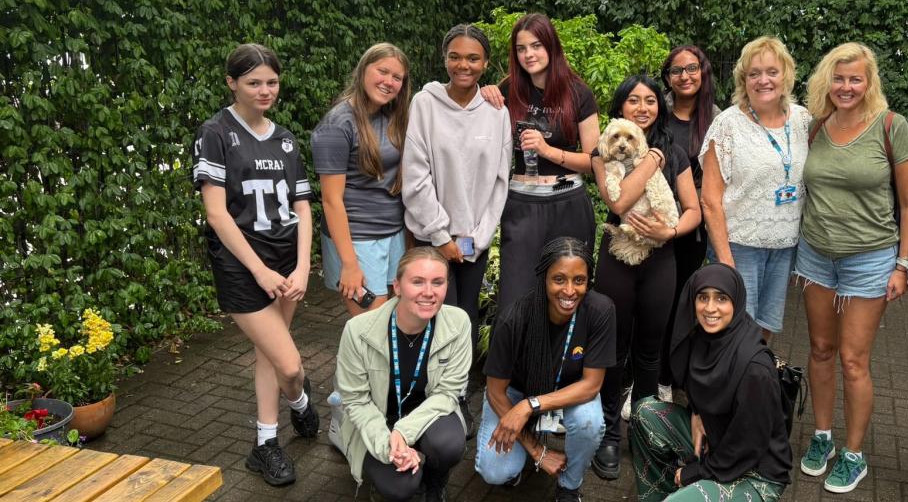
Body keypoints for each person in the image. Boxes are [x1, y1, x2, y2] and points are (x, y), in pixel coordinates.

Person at [792, 42, 908, 493]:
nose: (846, 87)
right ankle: (823, 437)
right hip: (815, 256)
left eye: (855, 79)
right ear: (828, 81)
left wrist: (903, 264)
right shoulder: (815, 128)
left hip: (870, 259)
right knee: (821, 350)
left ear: (869, 83)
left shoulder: (891, 126)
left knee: (853, 360)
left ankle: (854, 454)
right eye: (839, 78)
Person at [193, 43, 319, 486]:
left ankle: (265, 444)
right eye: (253, 83)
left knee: (269, 353)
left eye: (272, 82)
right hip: (241, 265)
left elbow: (303, 206)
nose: (265, 91)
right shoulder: (215, 132)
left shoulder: (285, 138)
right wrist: (259, 270)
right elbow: (216, 213)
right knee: (289, 365)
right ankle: (301, 402)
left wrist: (303, 266)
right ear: (232, 83)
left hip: (286, 259)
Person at [590, 74, 703, 480]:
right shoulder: (602, 152)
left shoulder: (675, 152)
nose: (642, 107)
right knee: (613, 349)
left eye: (651, 100)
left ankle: (645, 431)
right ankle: (608, 433)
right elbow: (618, 201)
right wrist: (650, 160)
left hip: (662, 257)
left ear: (660, 106)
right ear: (621, 108)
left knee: (650, 352)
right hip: (617, 255)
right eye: (633, 100)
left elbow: (693, 209)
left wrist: (669, 231)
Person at [629, 263, 791, 502]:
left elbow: (747, 445)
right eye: (703, 297)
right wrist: (696, 411)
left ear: (735, 302)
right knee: (645, 412)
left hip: (755, 472)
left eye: (721, 298)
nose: (710, 308)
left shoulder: (755, 369)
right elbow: (700, 387)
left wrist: (696, 473)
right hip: (716, 443)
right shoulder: (702, 338)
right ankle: (664, 495)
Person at [476, 237, 615, 502]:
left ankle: (569, 486)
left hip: (568, 392)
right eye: (559, 279)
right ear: (544, 278)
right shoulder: (514, 317)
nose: (570, 290)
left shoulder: (600, 310)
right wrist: (538, 451)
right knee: (495, 471)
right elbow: (495, 391)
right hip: (516, 393)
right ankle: (518, 461)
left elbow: (591, 385)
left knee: (590, 422)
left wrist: (530, 405)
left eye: (579, 280)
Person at [402, 24, 511, 352]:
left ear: (486, 63)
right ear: (445, 59)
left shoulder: (497, 112)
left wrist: (478, 239)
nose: (464, 65)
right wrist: (442, 237)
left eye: (473, 58)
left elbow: (500, 182)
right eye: (455, 57)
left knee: (464, 319)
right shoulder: (424, 104)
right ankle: (430, 392)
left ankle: (457, 392)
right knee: (433, 315)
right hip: (432, 238)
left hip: (473, 241)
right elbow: (415, 177)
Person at [335, 247, 472, 502]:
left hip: (428, 417)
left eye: (437, 282)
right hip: (376, 421)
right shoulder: (358, 331)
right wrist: (389, 443)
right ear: (397, 286)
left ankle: (435, 481)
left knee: (448, 445)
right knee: (401, 487)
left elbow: (448, 393)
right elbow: (356, 401)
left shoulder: (459, 323)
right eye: (417, 282)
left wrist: (403, 432)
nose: (429, 292)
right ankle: (394, 472)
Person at [699, 36, 811, 340]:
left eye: (772, 72)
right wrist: (724, 257)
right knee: (733, 328)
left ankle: (754, 384)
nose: (764, 80)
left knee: (765, 329)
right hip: (739, 245)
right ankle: (725, 387)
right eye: (754, 74)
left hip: (784, 245)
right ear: (743, 80)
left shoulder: (803, 120)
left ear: (786, 75)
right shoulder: (727, 125)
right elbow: (709, 199)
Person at [493, 13, 601, 314]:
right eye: (521, 48)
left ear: (551, 46)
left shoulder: (578, 92)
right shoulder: (505, 90)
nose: (529, 54)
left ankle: (563, 362)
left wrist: (547, 150)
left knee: (567, 297)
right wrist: (483, 93)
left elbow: (595, 161)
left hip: (568, 205)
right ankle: (515, 362)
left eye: (536, 45)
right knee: (515, 299)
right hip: (521, 206)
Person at [312, 43, 411, 317]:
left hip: (393, 233)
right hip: (358, 239)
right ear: (363, 70)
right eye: (383, 72)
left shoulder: (392, 116)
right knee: (372, 331)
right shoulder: (337, 125)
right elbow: (331, 201)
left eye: (397, 77)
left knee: (391, 323)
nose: (389, 82)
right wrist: (349, 264)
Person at [657, 45, 720, 391]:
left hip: (693, 228)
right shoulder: (657, 112)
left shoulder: (717, 118)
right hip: (654, 222)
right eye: (677, 71)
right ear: (667, 78)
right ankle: (647, 378)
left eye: (691, 68)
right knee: (655, 303)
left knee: (681, 301)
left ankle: (669, 378)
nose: (685, 76)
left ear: (703, 71)